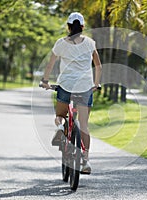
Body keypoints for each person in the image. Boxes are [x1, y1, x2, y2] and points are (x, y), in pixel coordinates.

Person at [41, 12, 102, 174]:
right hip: (85, 87)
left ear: (68, 26)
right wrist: (95, 85)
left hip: (66, 85)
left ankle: (60, 127)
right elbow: (98, 66)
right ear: (82, 27)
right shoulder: (90, 43)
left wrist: (45, 81)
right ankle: (85, 162)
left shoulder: (61, 43)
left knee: (60, 115)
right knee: (84, 125)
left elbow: (50, 65)